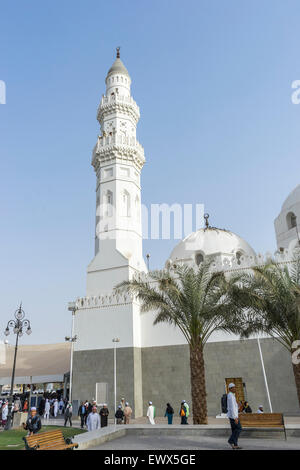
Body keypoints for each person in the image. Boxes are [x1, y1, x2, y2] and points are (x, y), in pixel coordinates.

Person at [227, 383, 242, 450]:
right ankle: (230, 440)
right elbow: (232, 408)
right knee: (239, 428)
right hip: (233, 417)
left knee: (234, 430)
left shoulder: (232, 395)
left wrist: (238, 405)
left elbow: (234, 407)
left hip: (233, 416)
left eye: (235, 387)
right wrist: (235, 417)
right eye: (233, 387)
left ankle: (235, 445)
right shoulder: (230, 396)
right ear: (230, 389)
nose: (234, 388)